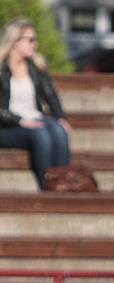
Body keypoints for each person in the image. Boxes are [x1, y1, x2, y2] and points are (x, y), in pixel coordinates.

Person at [0, 17, 71, 190]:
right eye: (30, 40)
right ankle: (46, 186)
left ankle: (62, 182)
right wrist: (19, 121)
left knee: (59, 131)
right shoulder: (1, 70)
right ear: (15, 42)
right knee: (41, 135)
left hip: (34, 118)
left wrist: (61, 117)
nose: (35, 44)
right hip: (8, 125)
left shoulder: (35, 67)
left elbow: (50, 94)